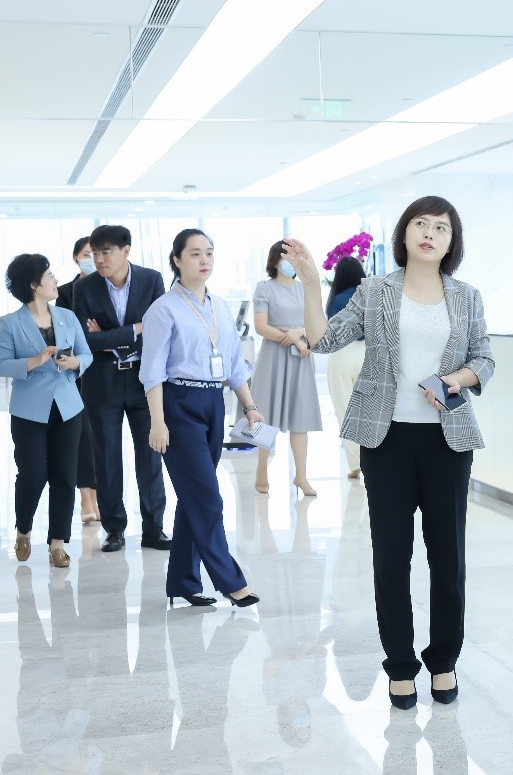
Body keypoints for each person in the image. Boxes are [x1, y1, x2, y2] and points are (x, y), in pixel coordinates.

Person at [281, 195, 494, 711]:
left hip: (446, 442)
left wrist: (456, 379)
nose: (429, 233)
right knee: (391, 558)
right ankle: (400, 665)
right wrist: (310, 284)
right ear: (404, 234)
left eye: (441, 227)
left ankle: (443, 661)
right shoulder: (376, 291)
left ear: (452, 241)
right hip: (387, 439)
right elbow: (324, 340)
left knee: (449, 559)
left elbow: (484, 359)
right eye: (421, 224)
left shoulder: (466, 296)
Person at [140, 228, 263, 608]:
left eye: (209, 252)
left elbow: (234, 364)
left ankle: (183, 581)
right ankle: (232, 582)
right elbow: (152, 371)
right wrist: (157, 422)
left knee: (194, 497)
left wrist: (250, 407)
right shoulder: (163, 309)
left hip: (213, 403)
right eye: (195, 253)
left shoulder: (220, 307)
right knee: (208, 498)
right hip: (177, 404)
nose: (204, 259)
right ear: (177, 260)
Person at [73, 224, 170, 553]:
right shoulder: (84, 289)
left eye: (106, 252)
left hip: (145, 383)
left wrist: (108, 335)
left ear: (126, 251)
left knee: (150, 458)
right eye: (95, 253)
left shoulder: (151, 280)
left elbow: (160, 330)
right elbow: (85, 341)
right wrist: (134, 329)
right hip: (102, 384)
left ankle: (154, 529)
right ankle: (114, 529)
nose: (99, 259)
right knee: (107, 459)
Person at [0, 254, 94, 568]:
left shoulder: (67, 316)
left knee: (65, 475)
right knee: (33, 474)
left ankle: (57, 543)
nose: (55, 280)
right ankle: (23, 531)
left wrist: (75, 363)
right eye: (49, 276)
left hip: (68, 407)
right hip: (29, 411)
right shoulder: (11, 323)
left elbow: (86, 354)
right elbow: (0, 365)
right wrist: (34, 361)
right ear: (34, 285)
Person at [252, 241, 322, 496]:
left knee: (300, 417)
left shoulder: (304, 289)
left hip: (301, 359)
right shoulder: (264, 288)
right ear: (275, 260)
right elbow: (261, 327)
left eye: (293, 257)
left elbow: (317, 321)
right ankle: (261, 469)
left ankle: (301, 476)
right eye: (286, 257)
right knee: (266, 416)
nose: (290, 262)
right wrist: (293, 338)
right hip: (274, 358)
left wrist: (299, 332)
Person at [56, 236, 100, 525]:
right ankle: (86, 499)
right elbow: (64, 335)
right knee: (83, 437)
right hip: (75, 373)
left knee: (101, 438)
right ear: (75, 258)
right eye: (86, 254)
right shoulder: (64, 292)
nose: (92, 259)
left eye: (95, 254)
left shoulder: (106, 288)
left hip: (104, 370)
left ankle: (101, 498)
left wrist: (100, 335)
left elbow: (111, 331)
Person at [325, 255, 368, 480]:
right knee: (368, 411)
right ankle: (372, 459)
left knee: (345, 411)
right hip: (366, 353)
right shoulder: (370, 296)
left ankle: (355, 463)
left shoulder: (336, 299)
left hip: (341, 354)